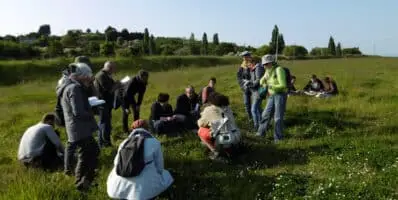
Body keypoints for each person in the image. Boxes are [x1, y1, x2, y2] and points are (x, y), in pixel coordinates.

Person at [107, 119, 174, 200]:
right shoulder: (154, 142)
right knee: (167, 175)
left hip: (117, 188)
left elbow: (116, 163)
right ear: (147, 129)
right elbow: (160, 167)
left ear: (133, 130)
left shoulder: (124, 142)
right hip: (142, 191)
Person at [58, 62, 100, 191]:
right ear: (80, 76)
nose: (89, 78)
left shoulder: (69, 86)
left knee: (87, 154)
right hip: (80, 129)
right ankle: (83, 182)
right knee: (90, 153)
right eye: (87, 76)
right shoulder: (74, 88)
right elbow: (78, 112)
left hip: (77, 128)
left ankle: (83, 182)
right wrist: (91, 112)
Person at [197, 92, 241, 160]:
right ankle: (231, 149)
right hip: (236, 135)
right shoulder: (228, 108)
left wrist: (204, 118)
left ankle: (215, 151)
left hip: (223, 139)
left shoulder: (209, 109)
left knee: (200, 131)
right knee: (221, 129)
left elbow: (201, 123)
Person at [256, 54, 288, 143]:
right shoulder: (267, 71)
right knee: (265, 115)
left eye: (266, 64)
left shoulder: (279, 70)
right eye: (264, 64)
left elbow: (283, 85)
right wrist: (264, 84)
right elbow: (261, 81)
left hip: (280, 95)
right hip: (271, 95)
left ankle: (278, 139)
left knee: (277, 117)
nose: (265, 66)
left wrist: (270, 86)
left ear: (271, 62)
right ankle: (260, 134)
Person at [93, 61, 121, 147]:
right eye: (113, 69)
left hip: (105, 103)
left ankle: (102, 143)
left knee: (103, 123)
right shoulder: (101, 76)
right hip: (102, 103)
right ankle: (105, 143)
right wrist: (117, 84)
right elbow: (109, 90)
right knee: (105, 124)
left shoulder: (104, 75)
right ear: (109, 68)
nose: (114, 70)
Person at [237, 51, 265, 129]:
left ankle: (259, 124)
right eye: (243, 57)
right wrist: (243, 86)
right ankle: (251, 119)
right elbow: (239, 78)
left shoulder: (255, 65)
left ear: (250, 56)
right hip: (246, 88)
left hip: (254, 88)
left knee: (256, 107)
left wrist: (251, 83)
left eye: (246, 56)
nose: (245, 58)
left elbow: (257, 78)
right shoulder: (241, 67)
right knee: (247, 104)